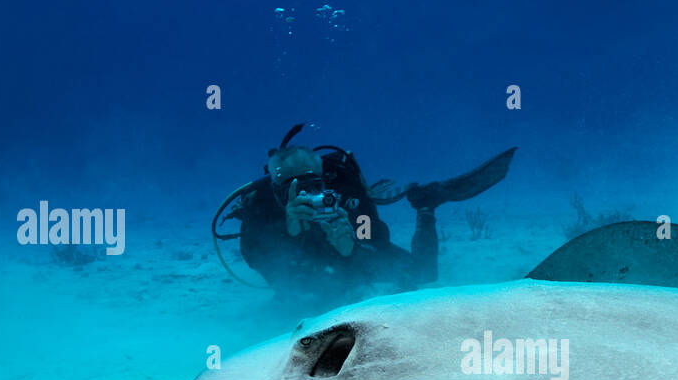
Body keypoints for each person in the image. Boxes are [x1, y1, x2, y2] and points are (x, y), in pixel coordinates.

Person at [215, 124, 515, 297]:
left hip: (349, 266)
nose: (306, 194)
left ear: (325, 179)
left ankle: (426, 204)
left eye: (313, 184)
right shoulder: (260, 210)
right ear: (275, 188)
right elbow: (264, 266)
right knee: (296, 300)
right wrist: (290, 234)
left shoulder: (345, 198)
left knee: (423, 274)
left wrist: (351, 247)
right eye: (292, 187)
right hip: (302, 281)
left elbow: (377, 243)